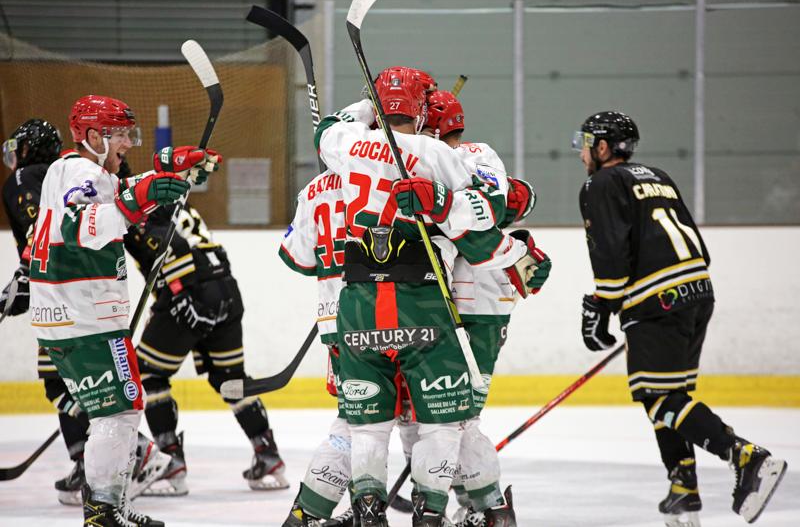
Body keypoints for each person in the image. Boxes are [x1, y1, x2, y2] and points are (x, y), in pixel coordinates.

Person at [315, 66, 543, 527]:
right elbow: (486, 216)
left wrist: (369, 102)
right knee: (445, 422)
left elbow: (327, 129)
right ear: (421, 114)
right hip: (429, 299)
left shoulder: (346, 148)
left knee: (368, 426)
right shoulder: (440, 154)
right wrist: (507, 246)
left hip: (358, 301)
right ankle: (449, 512)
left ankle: (369, 511)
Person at [574, 111, 787, 526]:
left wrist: (602, 304)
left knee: (658, 397)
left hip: (658, 299)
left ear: (602, 147)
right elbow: (698, 248)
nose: (581, 153)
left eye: (585, 143)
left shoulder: (600, 183)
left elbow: (611, 252)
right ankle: (683, 487)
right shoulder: (659, 176)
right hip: (697, 292)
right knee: (670, 396)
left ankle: (746, 457)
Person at [28, 94, 220, 526]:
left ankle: (108, 506)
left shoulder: (75, 170)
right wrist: (143, 193)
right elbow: (80, 226)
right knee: (117, 413)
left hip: (72, 315)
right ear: (91, 136)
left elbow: (116, 198)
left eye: (130, 134)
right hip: (84, 317)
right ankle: (103, 511)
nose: (128, 142)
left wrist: (167, 172)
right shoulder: (81, 171)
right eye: (119, 134)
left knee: (118, 409)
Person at [1, 120, 171, 507]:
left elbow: (52, 233)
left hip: (68, 303)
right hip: (77, 302)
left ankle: (122, 460)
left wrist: (24, 280)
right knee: (91, 396)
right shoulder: (72, 170)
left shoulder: (30, 177)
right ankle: (101, 469)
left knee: (69, 388)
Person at [422, 89, 548, 527]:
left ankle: (486, 506)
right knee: (448, 418)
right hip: (474, 300)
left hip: (470, 303)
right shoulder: (468, 156)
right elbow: (513, 201)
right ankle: (476, 503)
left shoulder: (459, 157)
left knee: (452, 419)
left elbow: (493, 211)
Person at [124, 193, 288, 495]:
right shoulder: (174, 200)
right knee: (229, 379)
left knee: (148, 372)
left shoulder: (137, 202)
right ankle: (268, 454)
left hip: (191, 292)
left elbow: (174, 246)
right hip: (225, 288)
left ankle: (169, 461)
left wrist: (180, 296)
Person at [278, 168, 350, 526]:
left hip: (334, 320)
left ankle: (308, 512)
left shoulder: (313, 189)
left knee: (356, 418)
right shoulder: (387, 168)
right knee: (418, 421)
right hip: (387, 312)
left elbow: (296, 257)